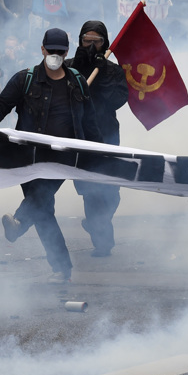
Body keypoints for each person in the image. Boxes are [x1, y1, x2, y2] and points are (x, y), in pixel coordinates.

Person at [0, 28, 103, 284]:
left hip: (64, 158)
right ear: (42, 50)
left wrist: (100, 154)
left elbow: (90, 121)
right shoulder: (25, 79)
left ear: (66, 52)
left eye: (61, 52)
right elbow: (0, 103)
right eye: (51, 51)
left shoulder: (77, 81)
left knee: (42, 197)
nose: (55, 56)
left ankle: (19, 223)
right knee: (44, 209)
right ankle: (61, 269)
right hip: (29, 157)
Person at [70, 20, 128, 257]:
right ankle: (101, 240)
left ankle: (97, 222)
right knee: (89, 189)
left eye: (97, 42)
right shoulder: (69, 67)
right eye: (87, 41)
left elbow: (118, 99)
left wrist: (101, 74)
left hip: (107, 136)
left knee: (111, 191)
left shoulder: (112, 70)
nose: (92, 46)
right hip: (79, 137)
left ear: (105, 43)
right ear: (80, 41)